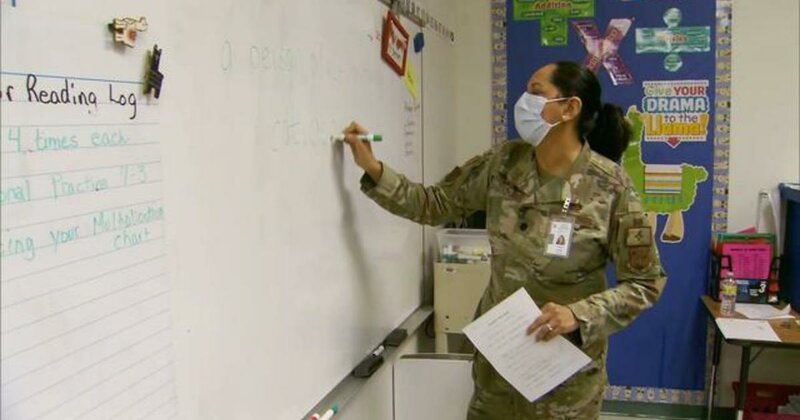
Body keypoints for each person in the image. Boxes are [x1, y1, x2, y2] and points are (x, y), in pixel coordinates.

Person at [343, 61, 666, 419]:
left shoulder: (611, 187)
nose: (524, 102)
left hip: (565, 382)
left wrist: (579, 314)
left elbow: (645, 283)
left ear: (569, 108)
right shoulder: (503, 163)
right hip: (498, 369)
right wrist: (373, 168)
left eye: (536, 92)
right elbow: (434, 204)